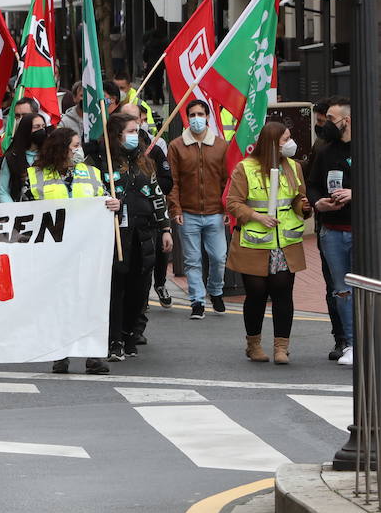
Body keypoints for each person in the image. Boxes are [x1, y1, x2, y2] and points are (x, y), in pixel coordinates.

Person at [21, 127, 120, 374]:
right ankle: (60, 353)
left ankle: (93, 355)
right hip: (53, 254)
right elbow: (25, 212)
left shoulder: (92, 173)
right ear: (61, 147)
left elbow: (105, 200)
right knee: (59, 303)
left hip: (87, 250)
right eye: (75, 145)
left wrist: (114, 204)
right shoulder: (35, 175)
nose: (79, 150)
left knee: (90, 302)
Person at [225, 121, 310, 364]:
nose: (290, 143)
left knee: (283, 292)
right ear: (273, 142)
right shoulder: (246, 168)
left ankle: (281, 347)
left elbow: (298, 198)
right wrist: (256, 216)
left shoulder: (294, 167)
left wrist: (302, 206)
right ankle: (253, 345)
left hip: (285, 242)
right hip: (254, 242)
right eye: (285, 139)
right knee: (256, 294)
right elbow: (233, 202)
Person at [101, 114, 174, 360]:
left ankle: (131, 333)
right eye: (130, 131)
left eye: (137, 130)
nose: (135, 135)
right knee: (117, 289)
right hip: (115, 236)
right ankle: (114, 339)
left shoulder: (145, 162)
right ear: (116, 135)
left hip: (144, 234)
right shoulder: (103, 164)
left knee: (140, 289)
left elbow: (157, 196)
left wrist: (165, 228)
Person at [167, 99, 230, 319]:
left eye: (200, 114)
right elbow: (172, 181)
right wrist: (175, 209)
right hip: (188, 213)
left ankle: (216, 290)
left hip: (215, 212)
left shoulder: (221, 146)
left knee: (219, 257)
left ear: (208, 117)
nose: (196, 119)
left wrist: (227, 209)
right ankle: (197, 301)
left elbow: (226, 180)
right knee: (192, 260)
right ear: (187, 118)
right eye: (192, 115)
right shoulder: (176, 146)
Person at [307, 99, 354, 365]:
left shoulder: (371, 146)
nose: (324, 124)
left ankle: (368, 339)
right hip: (332, 231)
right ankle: (348, 342)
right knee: (341, 290)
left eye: (331, 120)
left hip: (362, 230)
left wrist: (354, 193)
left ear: (345, 121)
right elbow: (312, 185)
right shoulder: (324, 151)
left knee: (366, 288)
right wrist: (318, 203)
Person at [0, 111, 48, 203]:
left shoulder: (51, 154)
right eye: (36, 127)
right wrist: (14, 211)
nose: (41, 130)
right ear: (26, 130)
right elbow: (3, 191)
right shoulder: (12, 158)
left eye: (43, 126)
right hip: (22, 212)